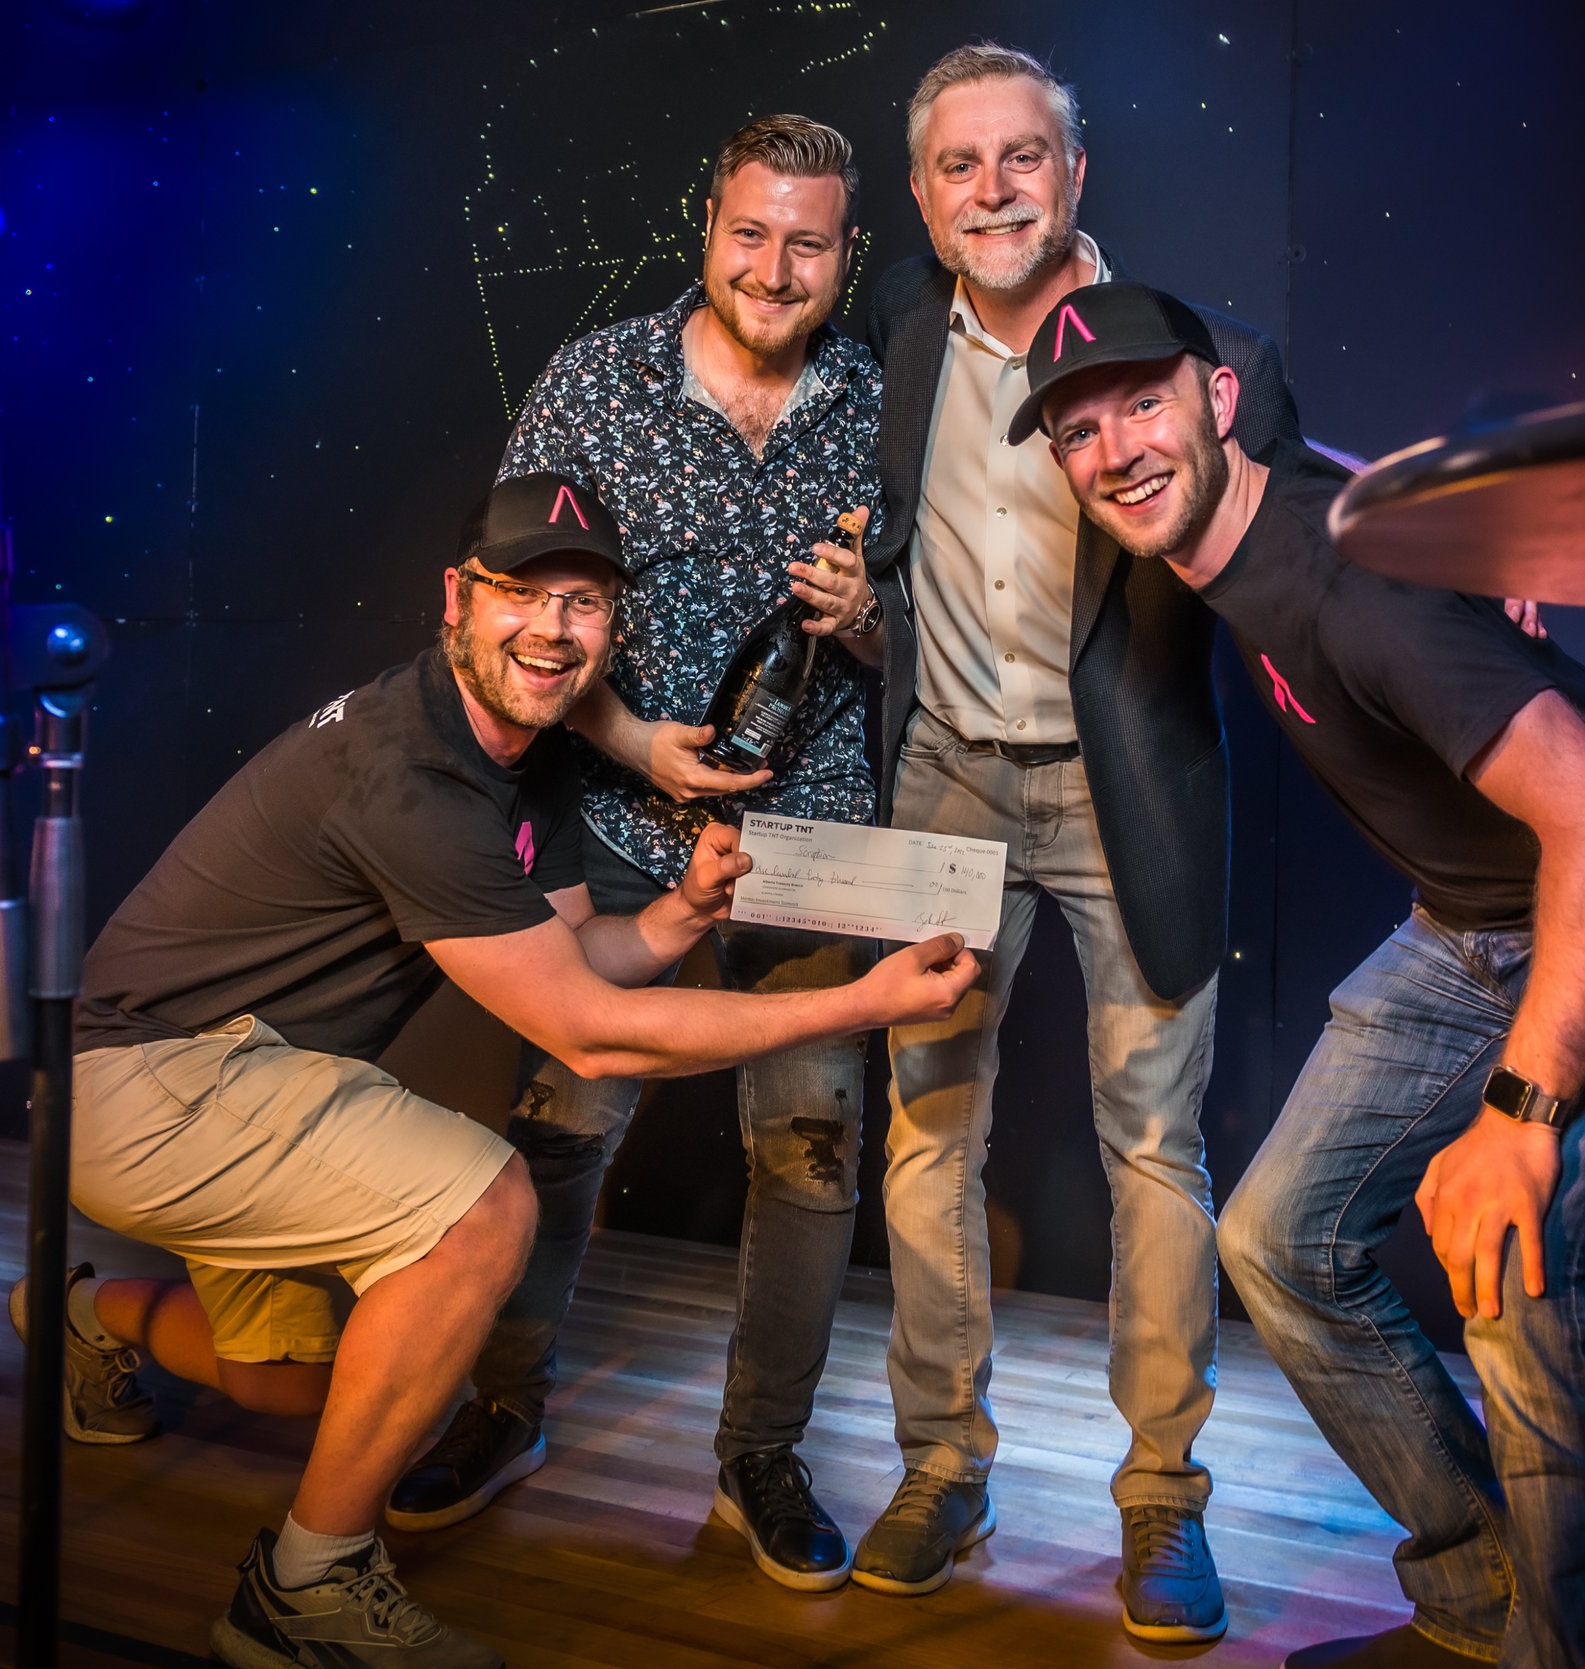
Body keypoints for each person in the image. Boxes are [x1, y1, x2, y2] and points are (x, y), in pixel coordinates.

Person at [24, 471, 975, 1669]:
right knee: (485, 1211)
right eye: (518, 592)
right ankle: (301, 1589)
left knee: (311, 1392)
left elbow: (581, 957)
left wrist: (681, 913)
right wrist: (865, 1000)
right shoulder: (407, 767)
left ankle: (74, 1316)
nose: (550, 628)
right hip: (150, 1084)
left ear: (610, 628)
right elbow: (588, 1031)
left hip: (242, 1079)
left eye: (582, 604)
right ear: (456, 601)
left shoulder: (527, 763)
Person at [1017, 279, 1585, 1669]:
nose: (1118, 449)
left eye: (1144, 401)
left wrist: (1520, 1120)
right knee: (1275, 1241)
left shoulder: (1354, 594)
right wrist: (1451, 514)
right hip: (1475, 922)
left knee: (1524, 1259)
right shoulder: (1251, 523)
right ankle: (1484, 1601)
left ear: (1221, 401)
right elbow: (1341, 473)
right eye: (1079, 430)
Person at [386, 115, 892, 1593]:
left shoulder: (877, 396)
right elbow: (517, 610)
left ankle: (762, 1458)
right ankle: (504, 1409)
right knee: (560, 1133)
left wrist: (867, 613)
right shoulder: (595, 379)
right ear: (710, 226)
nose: (776, 266)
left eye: (808, 241)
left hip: (817, 836)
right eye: (752, 232)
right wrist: (637, 749)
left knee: (809, 1155)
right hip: (618, 822)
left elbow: (934, 629)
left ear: (846, 253)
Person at [848, 42, 1311, 1643]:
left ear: (1075, 175)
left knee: (1153, 1151)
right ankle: (940, 1465)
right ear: (921, 198)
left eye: (1020, 158)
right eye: (959, 166)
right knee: (925, 1140)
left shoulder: (1200, 352)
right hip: (944, 783)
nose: (992, 190)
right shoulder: (897, 346)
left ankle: (1163, 1504)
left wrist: (1472, 556)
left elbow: (1313, 514)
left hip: (1130, 796)